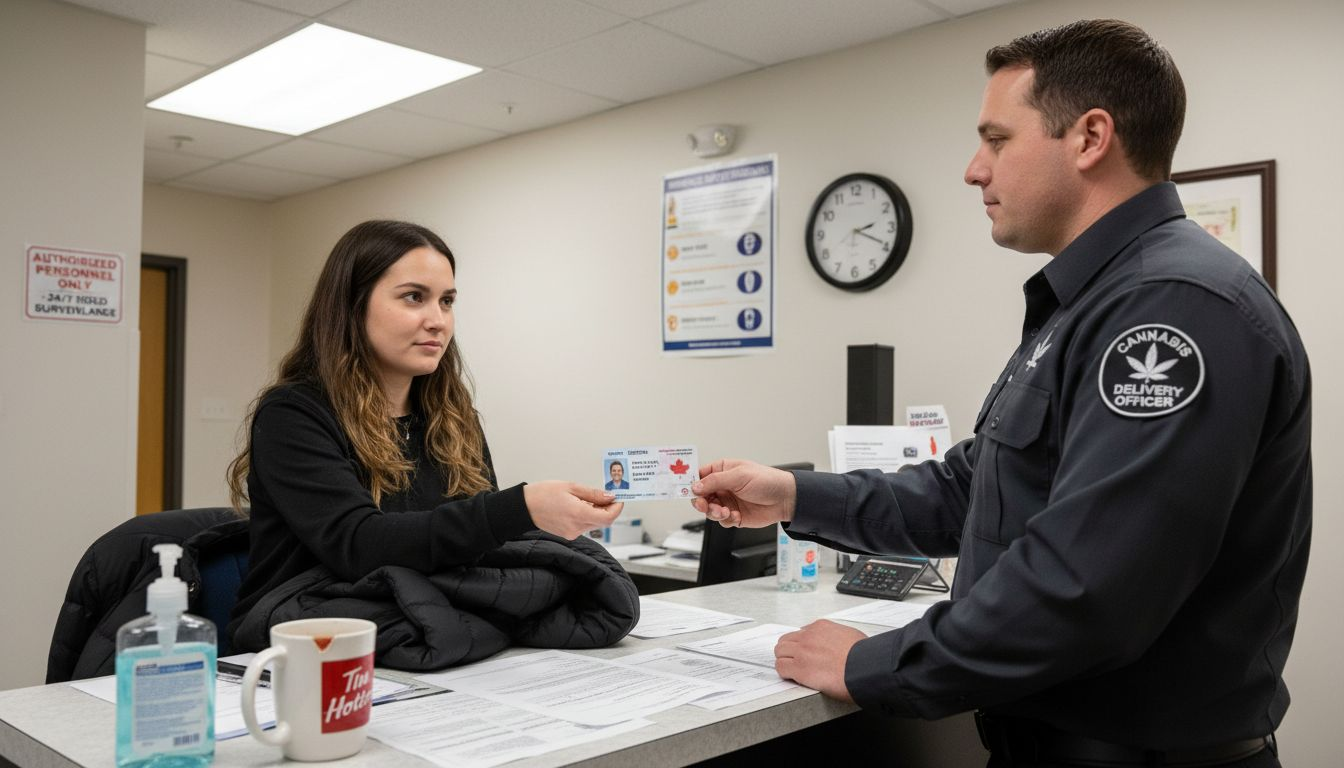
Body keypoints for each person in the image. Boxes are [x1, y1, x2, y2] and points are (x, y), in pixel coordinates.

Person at [692, 19, 1309, 768]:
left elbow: (1086, 590)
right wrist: (793, 494)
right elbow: (970, 489)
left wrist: (874, 662)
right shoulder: (1095, 302)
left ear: (1089, 138)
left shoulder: (1172, 307)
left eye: (997, 139)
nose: (973, 170)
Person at [226, 220, 623, 642]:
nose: (438, 321)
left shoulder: (452, 413)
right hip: (311, 640)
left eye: (447, 301)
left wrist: (538, 517)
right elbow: (360, 547)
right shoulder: (294, 414)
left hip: (423, 626)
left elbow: (469, 543)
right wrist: (520, 508)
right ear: (352, 304)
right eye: (414, 297)